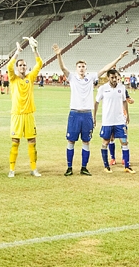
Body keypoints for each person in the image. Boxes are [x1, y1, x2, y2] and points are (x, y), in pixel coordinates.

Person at [54, 44, 128, 176]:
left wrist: (119, 58)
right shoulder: (72, 77)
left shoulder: (91, 77)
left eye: (83, 66)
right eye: (79, 66)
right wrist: (59, 54)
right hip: (75, 113)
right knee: (71, 141)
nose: (81, 68)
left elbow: (106, 68)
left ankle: (84, 167)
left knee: (86, 141)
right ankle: (69, 167)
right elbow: (62, 68)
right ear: (76, 69)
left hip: (87, 113)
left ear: (86, 68)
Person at [7, 37, 43, 177]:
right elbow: (9, 66)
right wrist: (17, 52)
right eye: (20, 65)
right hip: (16, 114)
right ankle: (12, 169)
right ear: (17, 68)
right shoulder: (13, 78)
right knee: (15, 142)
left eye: (24, 65)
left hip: (29, 114)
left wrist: (35, 50)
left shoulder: (30, 77)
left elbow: (39, 63)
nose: (22, 67)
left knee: (32, 142)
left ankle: (33, 168)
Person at [95, 70, 133, 173]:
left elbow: (124, 101)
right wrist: (93, 117)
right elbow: (97, 102)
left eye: (116, 77)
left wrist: (127, 114)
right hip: (107, 121)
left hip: (120, 120)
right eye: (112, 77)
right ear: (108, 78)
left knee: (124, 141)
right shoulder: (103, 88)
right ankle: (106, 166)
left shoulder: (121, 87)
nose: (114, 79)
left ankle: (127, 166)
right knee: (105, 142)